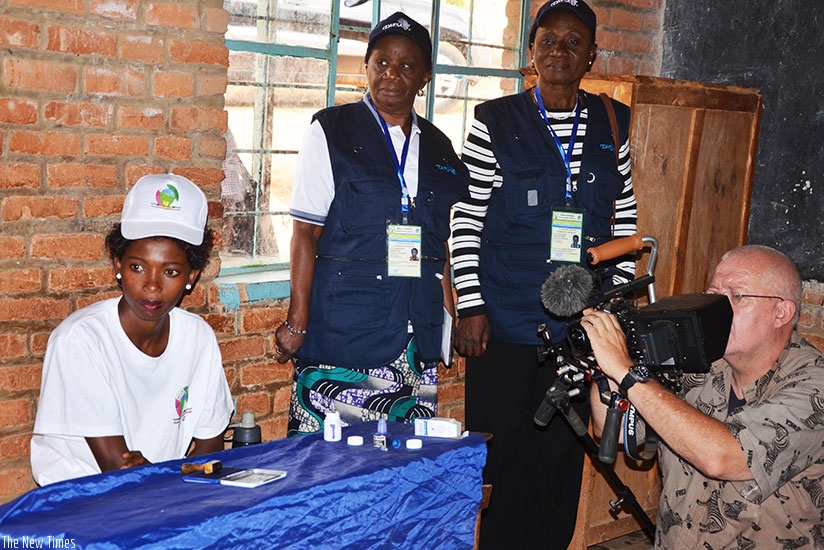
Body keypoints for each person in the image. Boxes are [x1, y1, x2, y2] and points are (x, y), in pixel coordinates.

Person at [449, 0, 637, 547]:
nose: (559, 50)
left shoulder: (611, 121)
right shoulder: (496, 121)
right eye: (547, 40)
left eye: (573, 42)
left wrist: (618, 308)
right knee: (500, 451)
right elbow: (467, 222)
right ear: (531, 52)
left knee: (563, 451)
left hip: (582, 326)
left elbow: (622, 216)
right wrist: (471, 304)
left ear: (592, 57)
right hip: (506, 321)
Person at [276, 12, 470, 436]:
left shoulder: (438, 145)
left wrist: (448, 309)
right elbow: (305, 233)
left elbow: (439, 240)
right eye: (381, 62)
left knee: (401, 470)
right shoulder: (330, 130)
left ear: (426, 77)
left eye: (406, 65)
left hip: (413, 338)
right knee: (328, 468)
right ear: (366, 66)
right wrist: (297, 320)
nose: (391, 74)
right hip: (345, 333)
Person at [584, 245, 824, 548]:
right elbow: (613, 431)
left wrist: (627, 371)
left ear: (781, 312)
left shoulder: (815, 385)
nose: (718, 308)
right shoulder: (702, 363)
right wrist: (606, 364)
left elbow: (722, 458)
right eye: (713, 294)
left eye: (736, 296)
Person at [31, 174, 234, 486]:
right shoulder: (82, 340)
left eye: (170, 271)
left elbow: (209, 453)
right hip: (83, 503)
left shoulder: (198, 338)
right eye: (137, 267)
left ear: (191, 276)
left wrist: (160, 474)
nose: (152, 285)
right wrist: (172, 474)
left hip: (163, 496)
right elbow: (118, 469)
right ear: (117, 264)